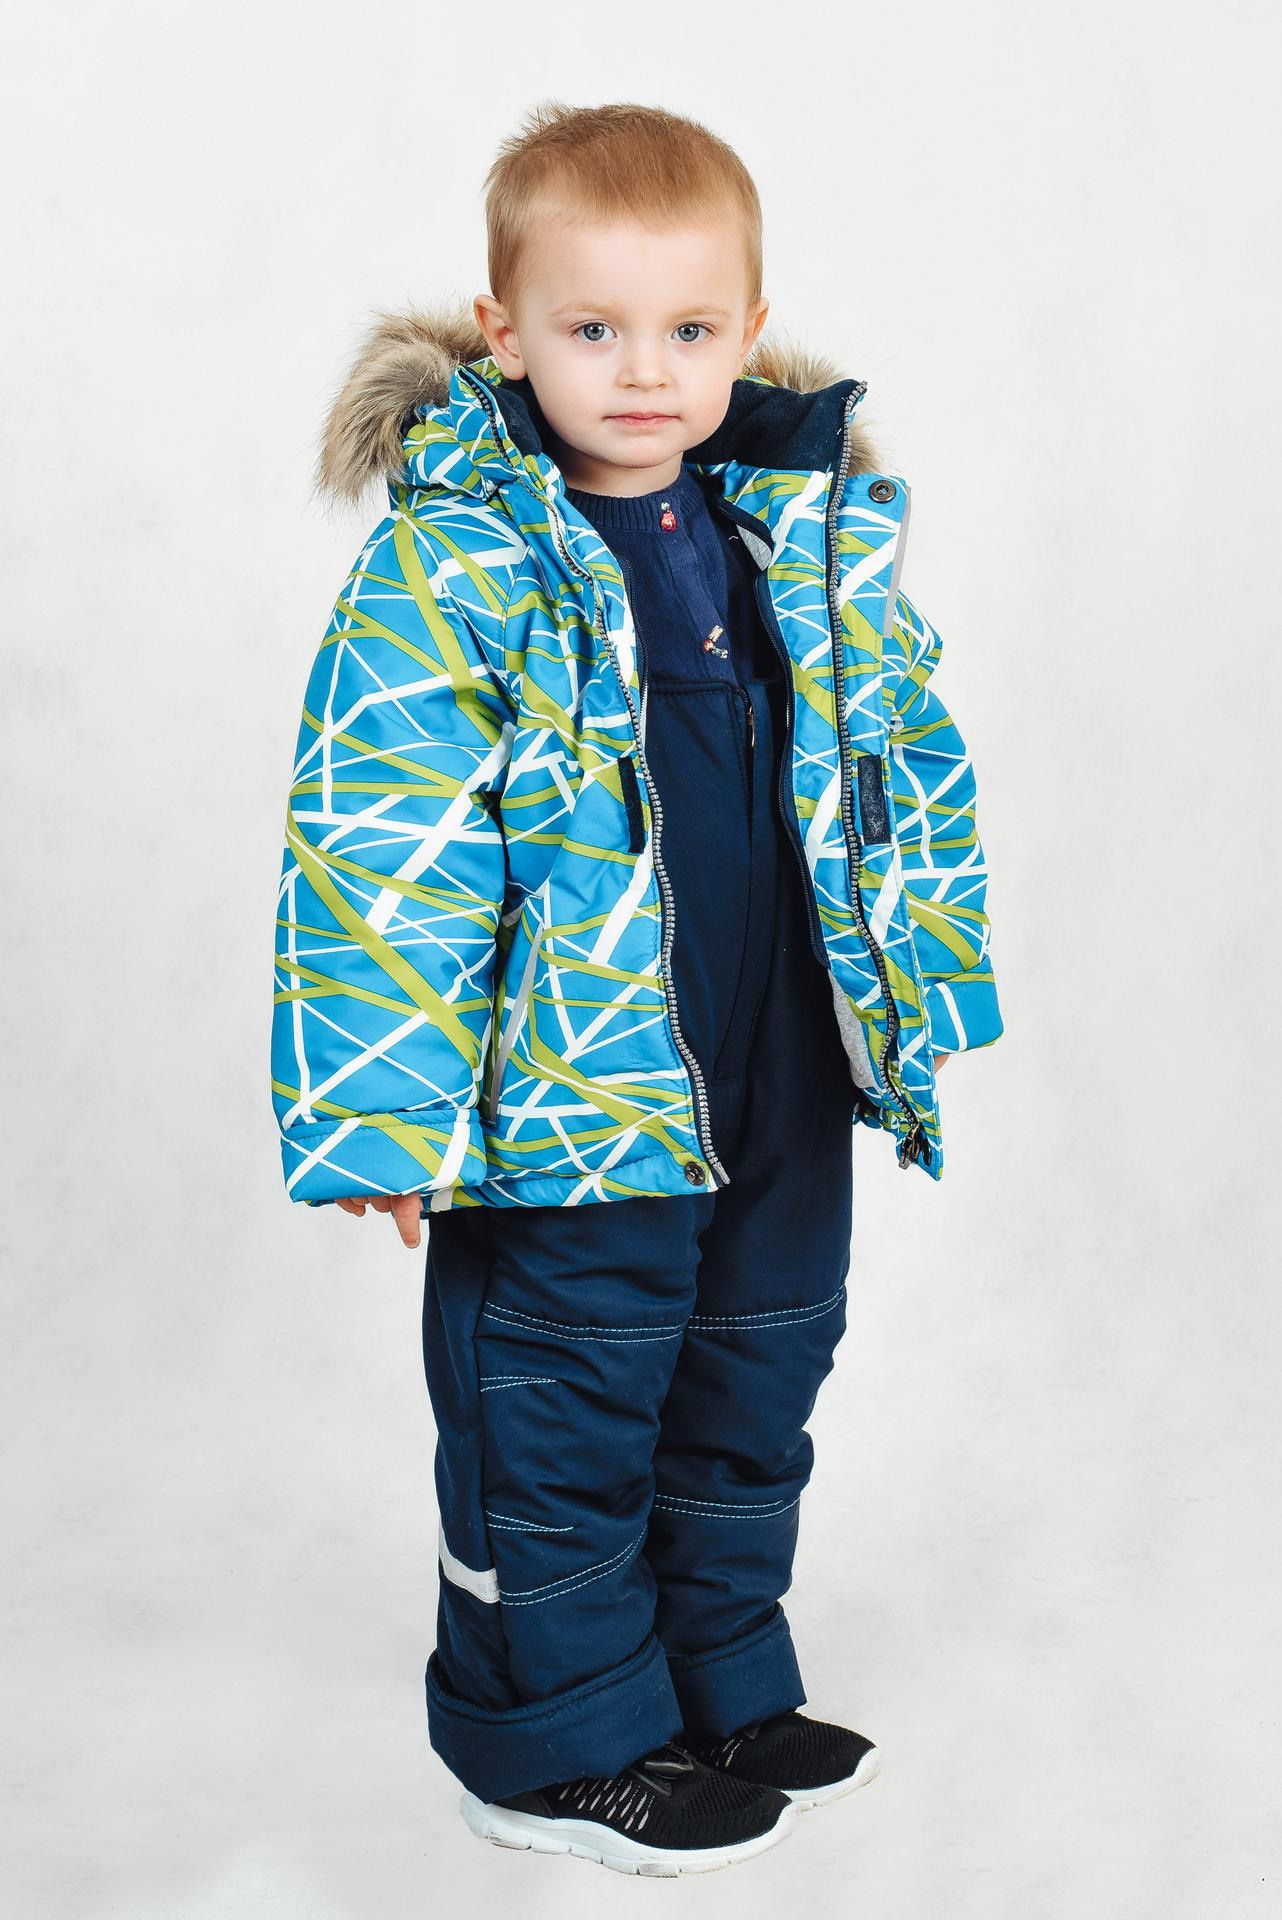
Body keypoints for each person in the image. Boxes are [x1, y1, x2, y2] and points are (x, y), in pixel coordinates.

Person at [269, 100, 1004, 1877]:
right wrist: (380, 1105)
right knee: (566, 1389)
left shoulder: (794, 541)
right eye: (591, 328)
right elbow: (381, 833)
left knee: (755, 1359)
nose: (645, 371)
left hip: (771, 1056)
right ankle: (553, 1740)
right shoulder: (455, 565)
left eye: (686, 328)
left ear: (747, 329)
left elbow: (901, 766)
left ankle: (712, 1677)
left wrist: (914, 990)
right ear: (504, 331)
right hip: (568, 1081)